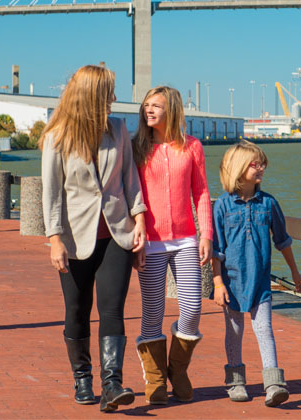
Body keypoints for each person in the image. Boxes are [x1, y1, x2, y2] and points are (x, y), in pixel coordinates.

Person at [41, 65, 147, 413]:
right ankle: (82, 379)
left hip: (117, 233)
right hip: (74, 238)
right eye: (109, 93)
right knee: (76, 310)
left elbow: (131, 178)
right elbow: (52, 193)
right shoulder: (57, 136)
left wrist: (140, 219)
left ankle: (112, 384)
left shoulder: (118, 129)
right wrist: (54, 239)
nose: (114, 99)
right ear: (92, 96)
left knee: (112, 308)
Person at [131, 86, 213, 405]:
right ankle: (154, 380)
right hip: (149, 242)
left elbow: (202, 193)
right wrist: (134, 240)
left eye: (157, 106)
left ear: (173, 110)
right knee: (152, 310)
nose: (149, 110)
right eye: (146, 106)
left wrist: (206, 234)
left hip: (185, 241)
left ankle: (177, 369)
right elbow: (132, 197)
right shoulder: (137, 148)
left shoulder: (192, 146)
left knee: (192, 309)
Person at [211, 140, 301, 407]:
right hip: (231, 282)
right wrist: (218, 284)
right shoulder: (223, 207)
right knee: (235, 331)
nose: (261, 167)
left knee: (265, 329)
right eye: (255, 163)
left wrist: (295, 273)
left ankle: (273, 383)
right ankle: (236, 381)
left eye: (262, 163)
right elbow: (216, 251)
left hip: (261, 281)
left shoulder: (269, 203)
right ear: (238, 167)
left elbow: (283, 241)